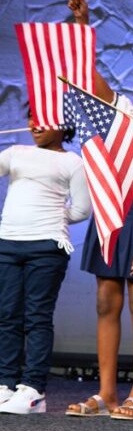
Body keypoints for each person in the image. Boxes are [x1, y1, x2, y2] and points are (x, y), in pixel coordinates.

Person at [65, 0, 133, 421]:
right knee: (107, 302)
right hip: (112, 207)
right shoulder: (119, 110)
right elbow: (86, 75)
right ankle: (105, 392)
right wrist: (82, 26)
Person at [0, 109, 90, 414]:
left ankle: (34, 389)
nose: (34, 124)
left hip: (47, 247)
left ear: (64, 125)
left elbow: (82, 209)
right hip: (8, 244)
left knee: (37, 316)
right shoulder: (15, 152)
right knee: (7, 314)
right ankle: (5, 383)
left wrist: (52, 215)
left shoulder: (72, 161)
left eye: (44, 117)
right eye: (31, 116)